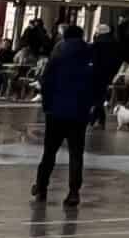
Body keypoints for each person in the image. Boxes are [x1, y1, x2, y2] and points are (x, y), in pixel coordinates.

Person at [33, 23, 93, 207]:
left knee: (49, 152)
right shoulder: (89, 54)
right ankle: (74, 192)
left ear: (65, 36)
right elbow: (94, 83)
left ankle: (41, 186)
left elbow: (47, 81)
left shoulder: (58, 53)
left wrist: (47, 105)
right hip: (79, 113)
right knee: (76, 154)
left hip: (56, 111)